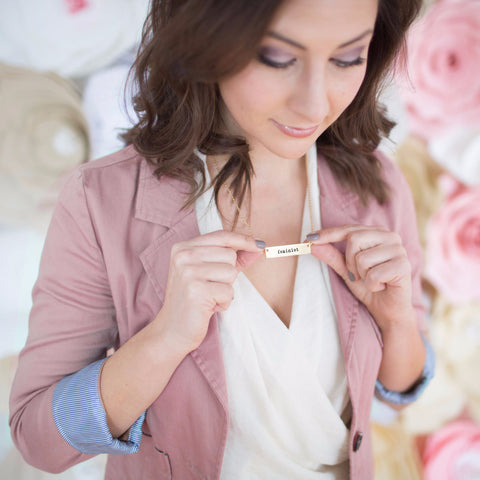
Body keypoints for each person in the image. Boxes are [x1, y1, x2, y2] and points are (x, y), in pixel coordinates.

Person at [9, 0, 435, 478]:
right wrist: (166, 339)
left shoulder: (376, 184)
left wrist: (396, 321)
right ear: (204, 35)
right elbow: (38, 439)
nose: (314, 104)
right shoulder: (101, 200)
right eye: (278, 58)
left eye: (347, 58)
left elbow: (401, 386)